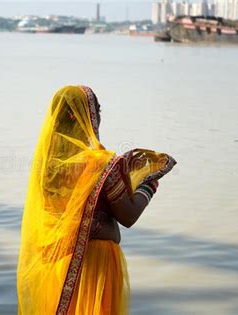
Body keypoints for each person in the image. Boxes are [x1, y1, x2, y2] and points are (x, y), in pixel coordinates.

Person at [17, 86, 176, 315]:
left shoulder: (47, 168)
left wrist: (123, 170)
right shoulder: (99, 164)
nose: (99, 117)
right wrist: (149, 183)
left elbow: (81, 204)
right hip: (95, 268)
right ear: (81, 116)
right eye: (96, 110)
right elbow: (128, 216)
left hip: (59, 267)